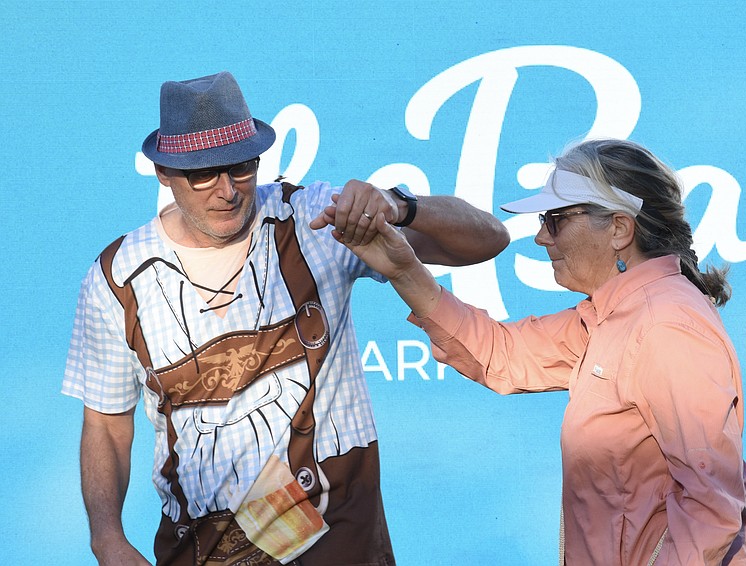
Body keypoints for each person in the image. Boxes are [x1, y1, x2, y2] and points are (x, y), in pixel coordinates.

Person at [62, 71, 510, 565]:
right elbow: (105, 422)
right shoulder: (116, 277)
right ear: (164, 174)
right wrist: (106, 537)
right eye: (203, 174)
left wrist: (400, 206)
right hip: (203, 549)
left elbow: (489, 239)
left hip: (338, 541)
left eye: (241, 167)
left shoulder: (315, 219)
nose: (228, 191)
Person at [336, 138, 746, 564]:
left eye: (556, 219)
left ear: (619, 228)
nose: (542, 237)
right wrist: (402, 268)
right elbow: (501, 354)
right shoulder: (617, 314)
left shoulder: (666, 326)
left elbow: (711, 506)